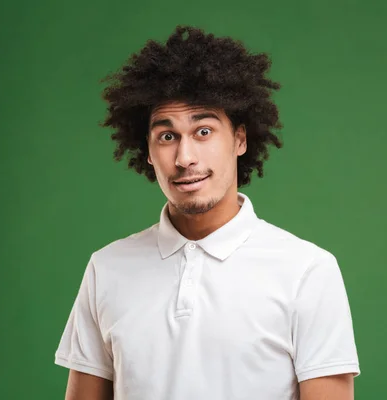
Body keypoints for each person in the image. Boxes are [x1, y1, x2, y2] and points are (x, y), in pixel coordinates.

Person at [54, 25, 360, 400]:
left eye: (203, 132)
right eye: (167, 136)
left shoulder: (307, 271)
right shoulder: (107, 268)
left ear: (240, 139)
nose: (185, 158)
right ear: (148, 152)